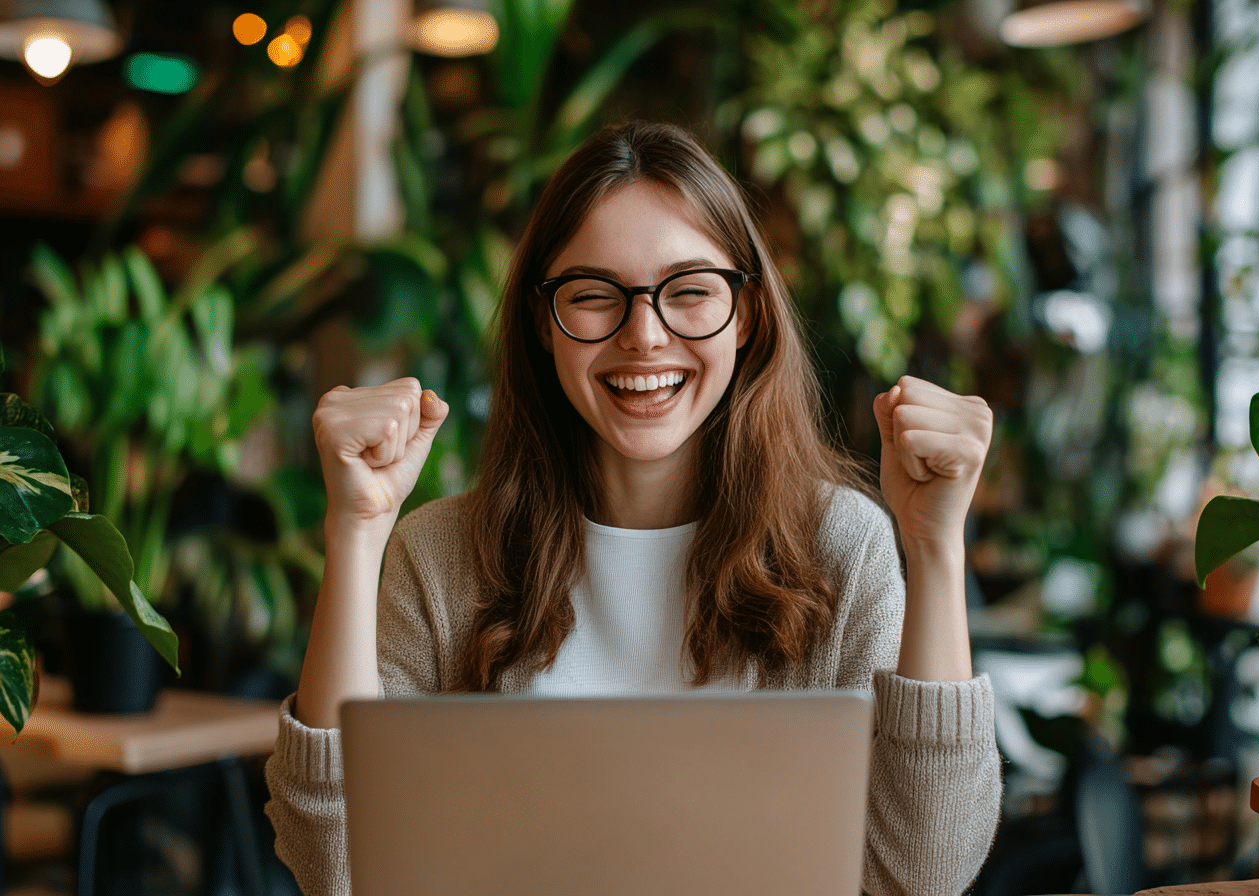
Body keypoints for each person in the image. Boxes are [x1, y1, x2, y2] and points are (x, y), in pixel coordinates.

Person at [264, 120, 1002, 896]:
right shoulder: (440, 555)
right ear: (544, 325)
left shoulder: (839, 545)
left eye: (689, 292)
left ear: (746, 315)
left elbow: (924, 874)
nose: (644, 337)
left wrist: (936, 545)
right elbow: (336, 871)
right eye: (592, 296)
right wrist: (355, 533)